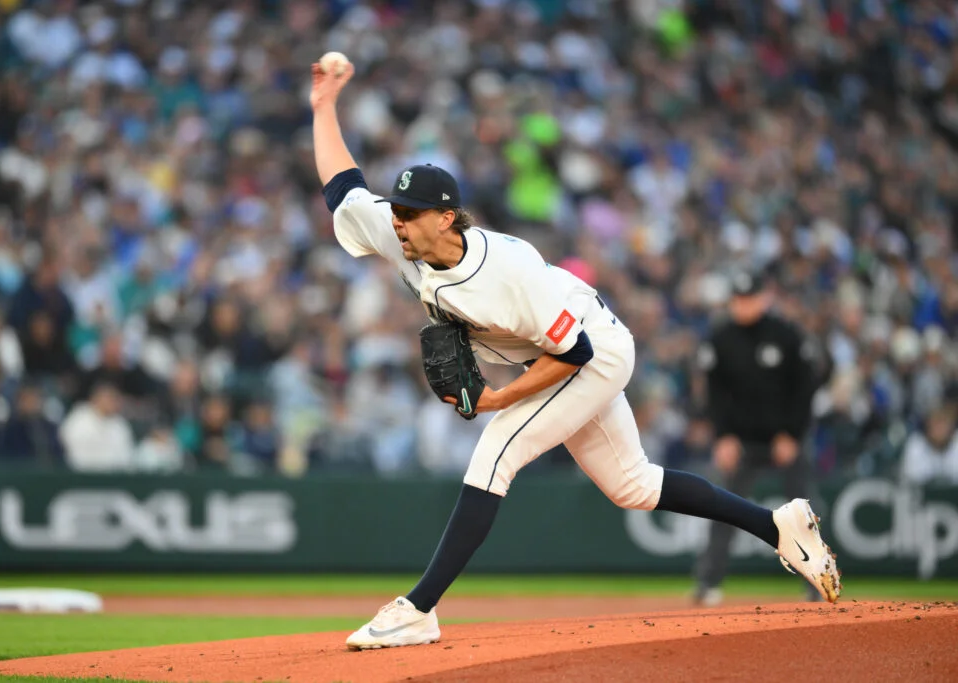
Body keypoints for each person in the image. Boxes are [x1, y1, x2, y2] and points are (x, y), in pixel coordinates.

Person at [310, 62, 841, 651]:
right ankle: (777, 525)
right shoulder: (399, 233)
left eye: (409, 213)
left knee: (496, 452)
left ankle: (419, 608)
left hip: (594, 352)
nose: (398, 221)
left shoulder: (509, 271)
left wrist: (499, 400)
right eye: (397, 210)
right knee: (633, 486)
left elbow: (575, 352)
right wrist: (323, 106)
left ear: (445, 217)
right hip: (560, 353)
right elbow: (343, 188)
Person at [692, 270, 827, 606]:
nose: (743, 306)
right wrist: (723, 436)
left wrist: (792, 434)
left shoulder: (786, 335)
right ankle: (708, 582)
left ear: (764, 298)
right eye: (738, 300)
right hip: (740, 441)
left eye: (749, 299)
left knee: (803, 514)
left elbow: (805, 388)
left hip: (784, 440)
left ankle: (817, 582)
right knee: (723, 510)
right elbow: (714, 393)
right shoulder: (721, 338)